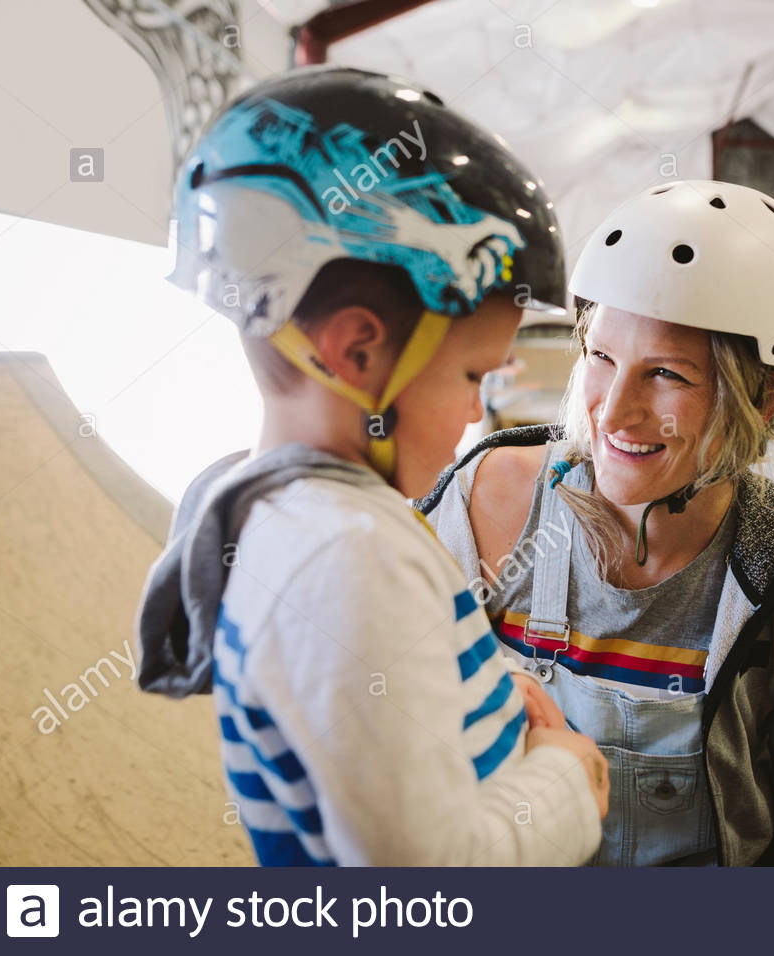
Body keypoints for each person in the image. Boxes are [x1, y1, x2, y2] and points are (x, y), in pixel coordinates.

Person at [135, 66, 608, 866]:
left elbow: (368, 700)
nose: (473, 414)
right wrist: (570, 779)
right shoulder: (346, 556)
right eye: (469, 378)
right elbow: (421, 887)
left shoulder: (280, 511)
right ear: (356, 351)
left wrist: (489, 694)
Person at [419, 180, 774, 866]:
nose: (612, 414)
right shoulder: (485, 506)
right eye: (601, 357)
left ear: (766, 398)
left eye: (666, 373)